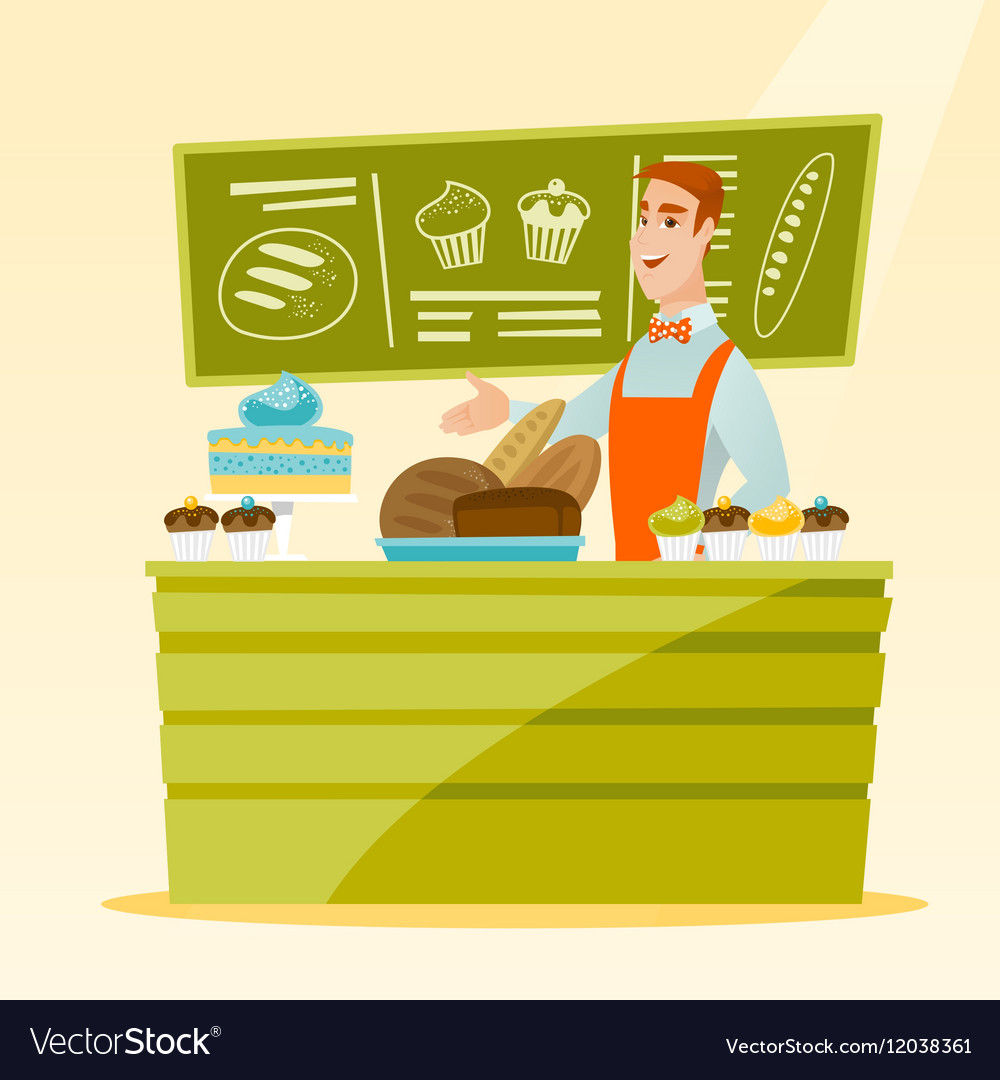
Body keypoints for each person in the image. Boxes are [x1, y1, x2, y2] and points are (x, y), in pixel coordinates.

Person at [440, 161, 789, 560]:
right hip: (629, 574)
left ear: (705, 233)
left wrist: (701, 543)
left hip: (692, 579)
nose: (644, 240)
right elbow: (572, 421)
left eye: (670, 223)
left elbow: (771, 480)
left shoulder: (725, 365)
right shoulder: (638, 355)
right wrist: (505, 410)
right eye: (643, 219)